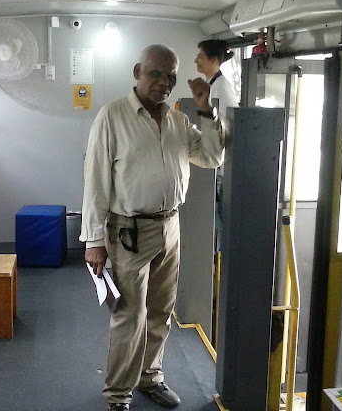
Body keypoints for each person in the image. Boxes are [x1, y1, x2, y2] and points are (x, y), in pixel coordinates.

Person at [81, 44, 225, 410]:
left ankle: (150, 377)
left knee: (161, 310)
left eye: (171, 76)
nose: (164, 82)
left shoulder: (178, 121)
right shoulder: (112, 116)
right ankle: (118, 394)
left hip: (170, 226)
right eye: (156, 74)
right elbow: (95, 181)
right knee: (130, 315)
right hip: (128, 231)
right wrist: (93, 241)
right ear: (137, 72)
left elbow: (211, 156)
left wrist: (207, 111)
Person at [194, 39, 239, 253]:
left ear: (214, 60)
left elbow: (227, 127)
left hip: (223, 163)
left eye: (200, 57)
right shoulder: (212, 86)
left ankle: (219, 259)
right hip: (217, 161)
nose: (196, 61)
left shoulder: (221, 88)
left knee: (219, 218)